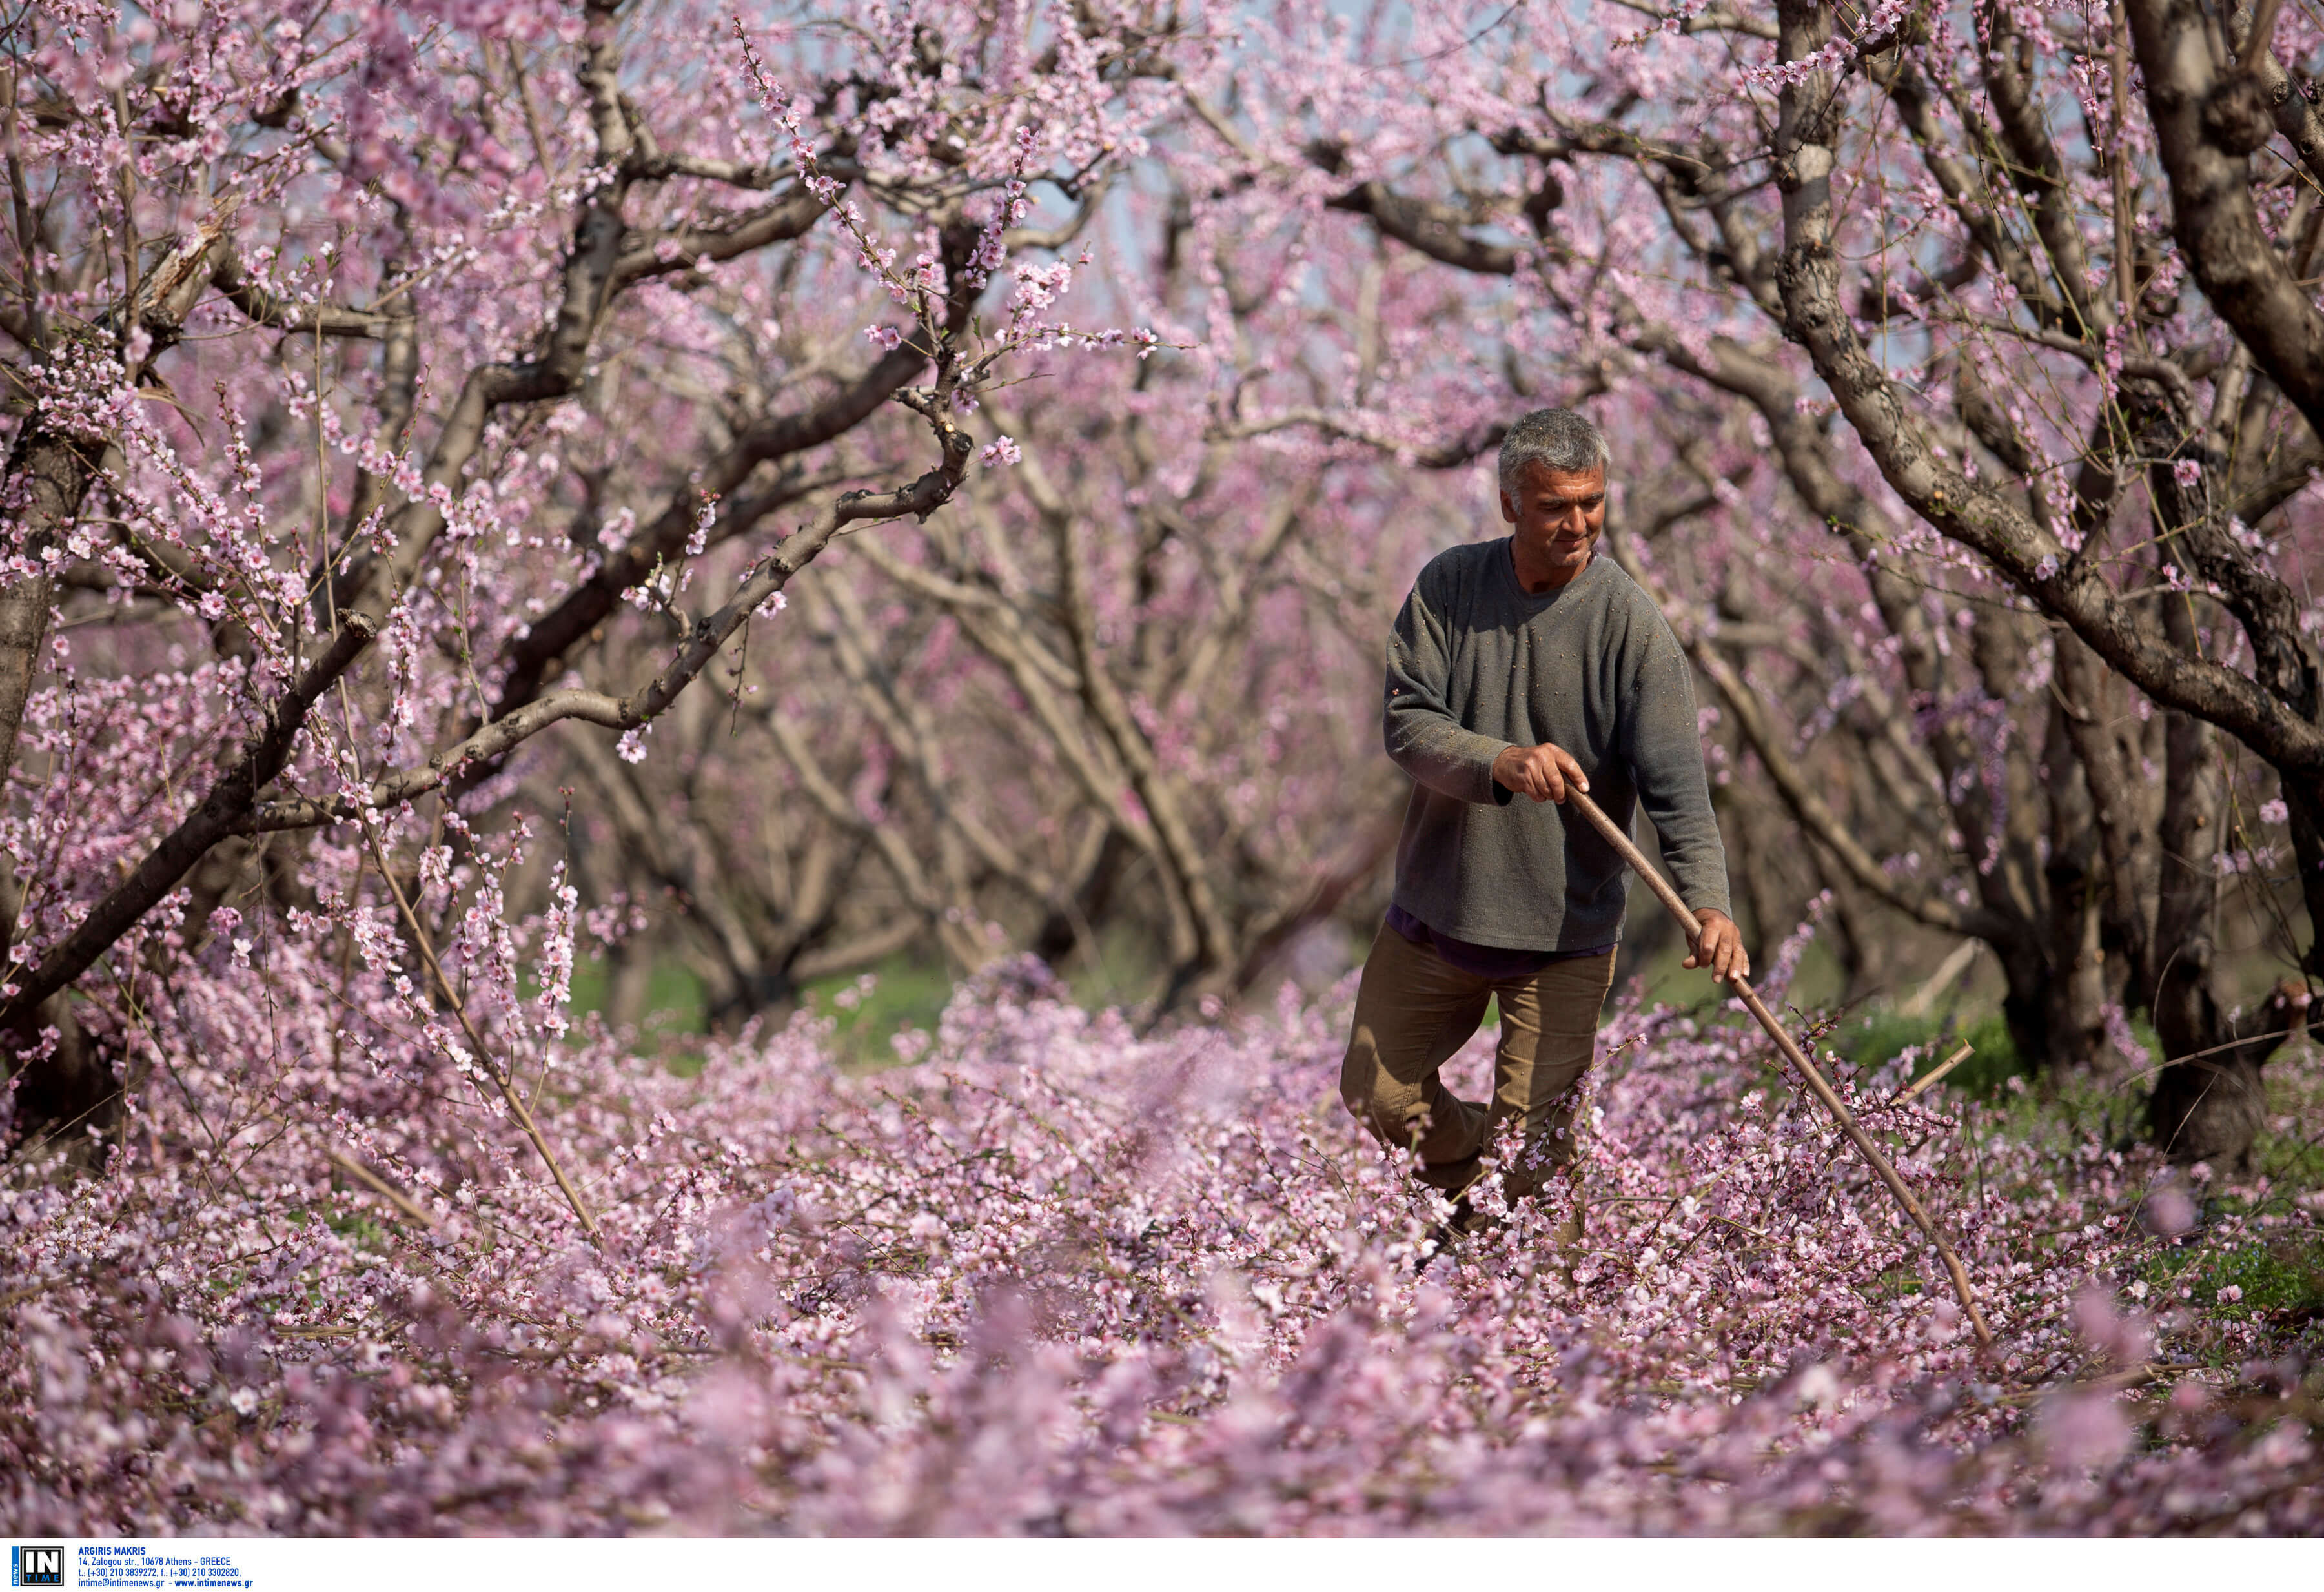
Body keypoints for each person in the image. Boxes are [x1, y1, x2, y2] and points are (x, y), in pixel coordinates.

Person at [1340, 407, 1746, 1250]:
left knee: (1531, 1169)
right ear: (1509, 505)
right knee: (1378, 1097)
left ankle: (1493, 1285)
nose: (1579, 523)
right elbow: (1408, 723)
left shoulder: (1633, 631)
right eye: (1556, 505)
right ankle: (1486, 1169)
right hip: (1437, 910)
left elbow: (1679, 791)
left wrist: (1710, 903)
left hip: (1564, 932)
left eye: (1592, 502)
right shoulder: (1449, 588)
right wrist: (1502, 762)